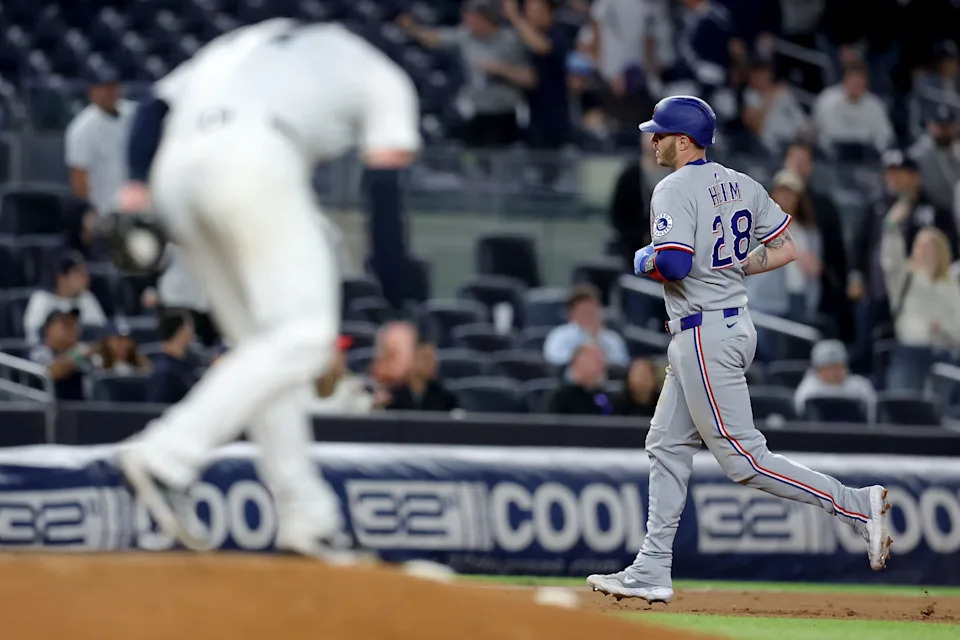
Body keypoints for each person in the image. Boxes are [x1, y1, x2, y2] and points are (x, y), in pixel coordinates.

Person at [111, 20, 421, 558]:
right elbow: (385, 195)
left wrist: (137, 185)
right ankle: (167, 454)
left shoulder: (247, 41)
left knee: (265, 350)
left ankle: (306, 514)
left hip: (174, 169)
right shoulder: (382, 74)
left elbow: (150, 107)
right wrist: (401, 309)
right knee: (306, 338)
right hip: (252, 157)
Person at [587, 95, 891, 605]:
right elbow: (790, 246)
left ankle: (856, 506)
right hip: (725, 325)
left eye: (659, 134)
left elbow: (676, 266)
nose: (652, 140)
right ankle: (652, 567)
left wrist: (644, 262)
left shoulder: (673, 187)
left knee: (744, 459)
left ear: (683, 141)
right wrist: (736, 267)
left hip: (704, 334)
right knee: (665, 444)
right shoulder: (742, 182)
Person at [849, 150, 958, 352]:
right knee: (869, 346)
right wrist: (856, 276)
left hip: (918, 295)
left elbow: (950, 250)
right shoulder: (876, 206)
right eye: (891, 173)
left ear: (915, 175)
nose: (894, 178)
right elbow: (860, 244)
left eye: (900, 172)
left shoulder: (934, 209)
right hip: (878, 291)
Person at [398, 0, 533, 147]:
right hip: (477, 110)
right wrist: (411, 29)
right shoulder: (466, 37)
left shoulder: (511, 41)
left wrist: (501, 69)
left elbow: (529, 77)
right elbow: (435, 38)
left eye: (472, 18)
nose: (467, 21)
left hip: (505, 111)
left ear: (485, 18)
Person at [880, 201, 960, 391]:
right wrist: (891, 226)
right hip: (910, 350)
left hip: (944, 353)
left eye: (928, 247)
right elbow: (891, 259)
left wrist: (943, 328)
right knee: (904, 405)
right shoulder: (904, 278)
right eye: (919, 246)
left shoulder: (952, 285)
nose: (922, 251)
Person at [782, 141, 853, 342]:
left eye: (802, 161)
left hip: (814, 291)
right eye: (793, 160)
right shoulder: (763, 200)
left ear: (811, 166)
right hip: (772, 294)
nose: (797, 166)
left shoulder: (823, 206)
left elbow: (836, 253)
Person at [746, 170, 822, 325]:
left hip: (799, 297)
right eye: (782, 192)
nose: (786, 197)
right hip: (766, 301)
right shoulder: (757, 225)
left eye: (791, 193)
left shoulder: (810, 232)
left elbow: (815, 267)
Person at [64, 66, 136, 217]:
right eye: (103, 87)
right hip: (105, 210)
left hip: (136, 205)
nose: (109, 92)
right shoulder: (81, 128)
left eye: (113, 86)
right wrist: (89, 212)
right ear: (92, 91)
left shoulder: (134, 113)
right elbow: (79, 177)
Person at [501, 0, 572, 149]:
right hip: (532, 112)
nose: (528, 15)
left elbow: (542, 47)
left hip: (554, 116)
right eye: (526, 10)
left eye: (533, 10)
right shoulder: (527, 36)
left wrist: (514, 17)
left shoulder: (559, 32)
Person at [812, 60, 895, 157]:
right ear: (845, 81)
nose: (856, 87)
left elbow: (886, 135)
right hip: (833, 152)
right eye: (853, 83)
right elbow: (817, 130)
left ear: (866, 84)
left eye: (860, 84)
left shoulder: (876, 105)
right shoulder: (826, 99)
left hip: (865, 153)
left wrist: (876, 148)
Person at [22, 251, 107, 344]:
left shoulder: (87, 298)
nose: (85, 278)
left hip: (82, 353)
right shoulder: (42, 298)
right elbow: (34, 335)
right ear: (62, 277)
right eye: (78, 273)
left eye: (85, 273)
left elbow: (100, 332)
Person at [543, 284, 629, 368]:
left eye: (592, 310)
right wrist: (583, 357)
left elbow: (621, 365)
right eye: (583, 311)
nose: (589, 314)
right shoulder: (559, 335)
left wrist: (596, 341)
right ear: (571, 314)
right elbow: (553, 360)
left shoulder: (612, 339)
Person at [740, 60, 809, 155]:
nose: (761, 79)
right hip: (770, 146)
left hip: (793, 141)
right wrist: (770, 98)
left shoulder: (782, 92)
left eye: (764, 75)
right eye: (757, 76)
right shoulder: (750, 95)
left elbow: (799, 118)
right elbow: (755, 126)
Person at [794, 340, 876, 416]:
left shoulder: (861, 386)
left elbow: (872, 417)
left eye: (839, 366)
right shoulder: (808, 390)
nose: (835, 372)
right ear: (817, 369)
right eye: (829, 367)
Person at [29, 309, 92, 401]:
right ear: (49, 330)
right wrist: (75, 356)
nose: (72, 329)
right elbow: (50, 373)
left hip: (82, 408)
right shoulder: (39, 351)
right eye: (66, 325)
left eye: (74, 325)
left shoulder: (83, 351)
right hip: (49, 408)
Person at [909, 103, 959, 216]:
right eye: (940, 126)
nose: (944, 131)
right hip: (931, 210)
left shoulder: (955, 149)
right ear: (930, 126)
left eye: (947, 126)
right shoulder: (919, 154)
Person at [386, 341, 459, 412]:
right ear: (412, 360)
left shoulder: (444, 397)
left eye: (433, 359)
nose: (432, 364)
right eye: (426, 359)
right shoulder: (394, 396)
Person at [145, 311, 198, 404]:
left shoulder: (186, 364)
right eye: (189, 327)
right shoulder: (164, 371)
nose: (192, 332)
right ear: (180, 332)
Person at [547, 343, 612, 415]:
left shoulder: (605, 398)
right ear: (577, 362)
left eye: (602, 360)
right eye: (596, 360)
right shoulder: (559, 399)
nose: (602, 365)